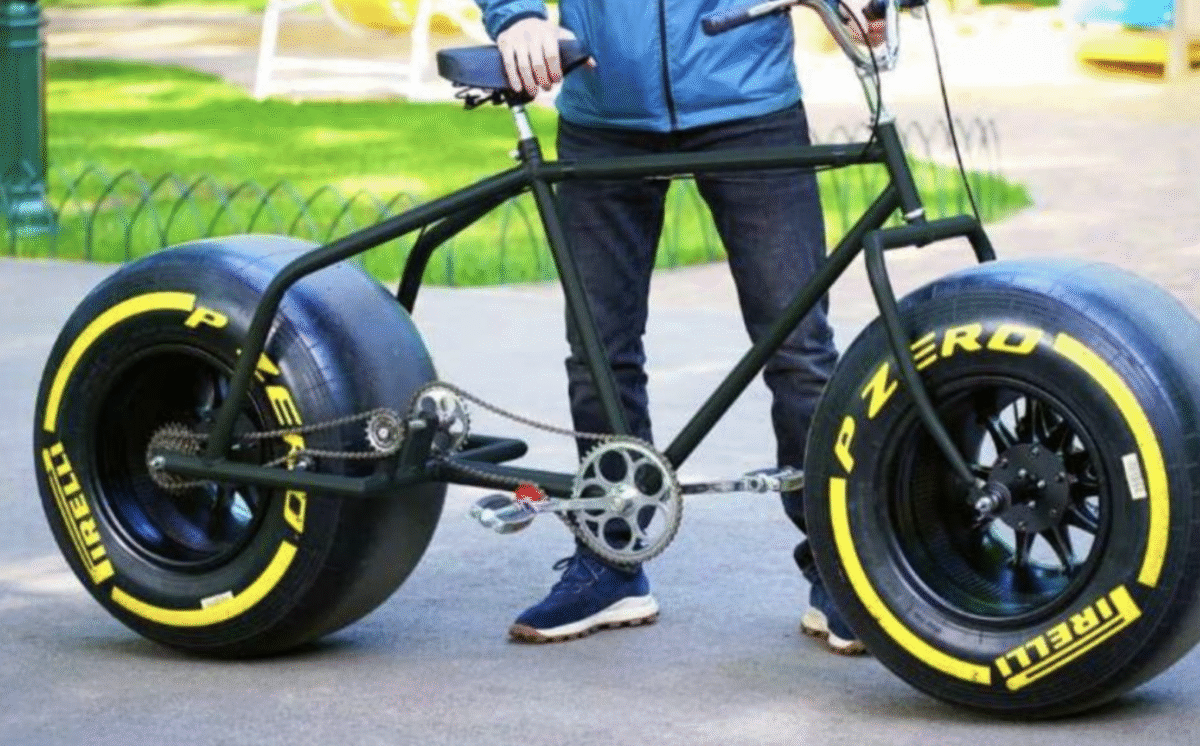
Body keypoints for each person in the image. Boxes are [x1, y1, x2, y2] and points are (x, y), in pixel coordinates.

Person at [475, 0, 878, 655]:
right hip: (607, 106)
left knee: (800, 349)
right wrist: (517, 16)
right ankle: (610, 561)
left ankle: (841, 573)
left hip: (749, 103)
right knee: (600, 356)